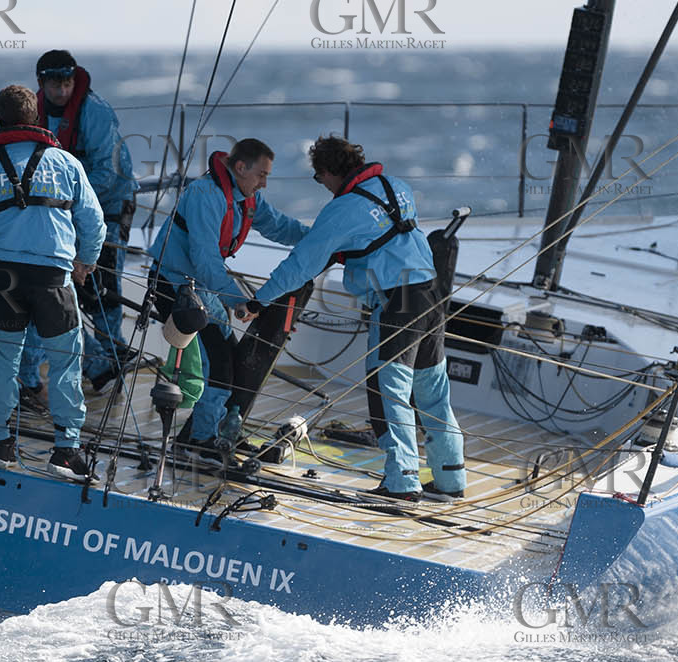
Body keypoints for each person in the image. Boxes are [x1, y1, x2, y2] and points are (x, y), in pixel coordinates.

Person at [240, 136, 465, 501]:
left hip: (397, 302)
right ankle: (451, 479)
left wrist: (259, 301)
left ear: (328, 172)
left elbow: (301, 266)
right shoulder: (397, 185)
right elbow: (385, 237)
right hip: (432, 293)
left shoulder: (342, 210)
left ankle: (403, 482)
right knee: (433, 392)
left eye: (319, 178)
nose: (323, 186)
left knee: (388, 391)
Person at [0, 85, 106, 482]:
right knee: (65, 364)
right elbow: (94, 223)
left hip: (3, 277)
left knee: (2, 364)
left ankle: (1, 443)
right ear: (37, 119)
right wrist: (85, 263)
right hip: (55, 278)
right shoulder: (66, 162)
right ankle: (66, 450)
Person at [147, 138, 309, 454]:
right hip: (173, 282)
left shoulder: (245, 197)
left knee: (230, 359)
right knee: (219, 361)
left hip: (201, 287)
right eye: (261, 174)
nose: (264, 183)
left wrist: (323, 241)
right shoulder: (205, 195)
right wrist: (238, 301)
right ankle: (200, 440)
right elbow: (206, 261)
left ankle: (216, 429)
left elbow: (280, 227)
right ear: (240, 167)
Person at [33, 50, 134, 393]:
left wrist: (66, 205)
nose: (61, 91)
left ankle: (112, 361)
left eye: (67, 83)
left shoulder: (96, 113)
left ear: (75, 82)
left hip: (107, 206)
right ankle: (99, 364)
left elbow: (107, 171)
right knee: (60, 285)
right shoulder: (35, 111)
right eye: (54, 84)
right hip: (62, 207)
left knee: (103, 290)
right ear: (41, 83)